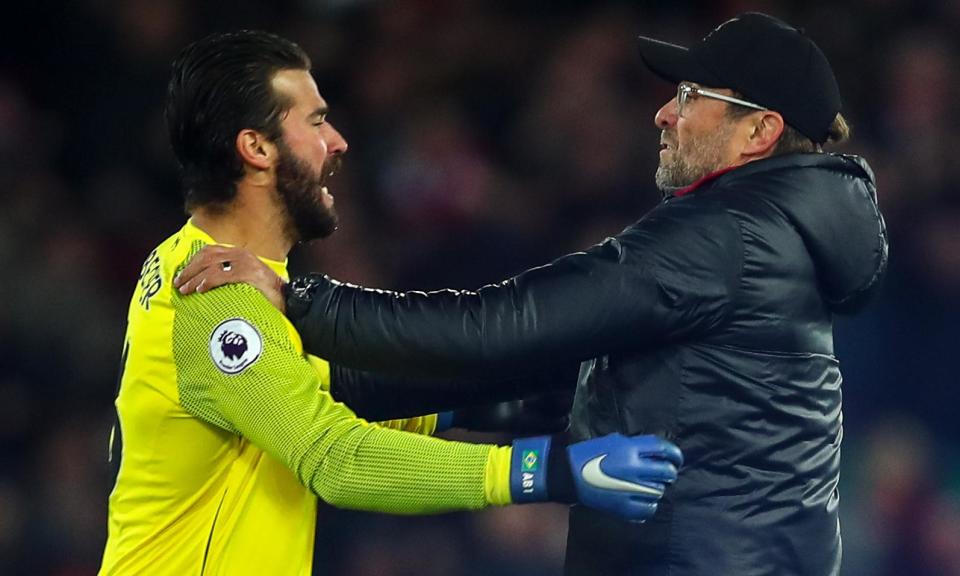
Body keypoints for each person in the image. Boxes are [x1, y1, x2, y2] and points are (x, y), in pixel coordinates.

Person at [176, 13, 888, 576]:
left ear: (760, 131)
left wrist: (300, 300)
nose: (663, 116)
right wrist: (352, 387)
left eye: (690, 99)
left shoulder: (725, 238)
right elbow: (594, 386)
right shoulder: (775, 235)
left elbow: (501, 326)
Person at [99, 30, 685, 576]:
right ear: (256, 147)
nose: (338, 142)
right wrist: (545, 470)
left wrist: (506, 408)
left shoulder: (195, 262)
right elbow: (334, 455)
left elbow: (324, 397)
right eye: (317, 121)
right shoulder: (216, 298)